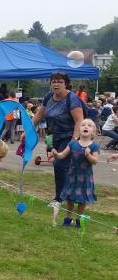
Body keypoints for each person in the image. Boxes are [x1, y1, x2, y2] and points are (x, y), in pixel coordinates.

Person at [29, 73, 85, 203]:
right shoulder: (49, 97)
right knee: (59, 165)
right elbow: (38, 115)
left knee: (60, 164)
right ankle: (67, 193)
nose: (56, 84)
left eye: (59, 82)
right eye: (53, 81)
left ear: (65, 84)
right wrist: (28, 130)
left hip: (69, 137)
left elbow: (79, 121)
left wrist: (74, 140)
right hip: (52, 136)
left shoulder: (72, 99)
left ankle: (59, 198)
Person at [52, 118, 99, 227]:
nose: (86, 126)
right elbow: (62, 155)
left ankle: (79, 219)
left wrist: (88, 155)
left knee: (82, 200)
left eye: (89, 125)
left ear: (93, 132)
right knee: (70, 199)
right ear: (79, 129)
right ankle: (68, 218)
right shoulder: (73, 143)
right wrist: (56, 154)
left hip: (85, 178)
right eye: (83, 125)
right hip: (72, 176)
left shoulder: (93, 146)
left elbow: (95, 161)